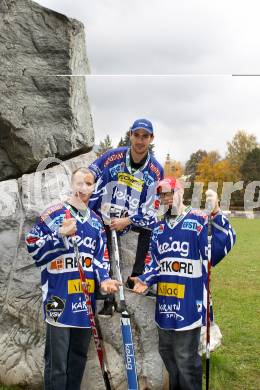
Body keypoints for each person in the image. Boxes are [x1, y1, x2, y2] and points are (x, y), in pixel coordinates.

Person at [132, 177, 236, 390]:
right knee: (167, 354)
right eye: (162, 195)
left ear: (181, 192)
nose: (167, 198)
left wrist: (215, 213)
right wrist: (145, 278)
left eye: (170, 193)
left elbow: (220, 245)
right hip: (165, 305)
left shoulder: (198, 220)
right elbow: (154, 262)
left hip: (189, 305)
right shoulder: (159, 228)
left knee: (185, 359)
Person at [25, 167, 121, 390]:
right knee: (57, 362)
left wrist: (104, 280)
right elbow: (32, 244)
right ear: (71, 184)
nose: (84, 188)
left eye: (89, 184)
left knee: (77, 357)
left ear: (94, 188)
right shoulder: (55, 213)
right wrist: (59, 235)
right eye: (80, 183)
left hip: (84, 301)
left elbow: (100, 260)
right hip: (58, 298)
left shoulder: (96, 223)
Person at [88, 118, 164, 316]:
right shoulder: (113, 156)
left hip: (130, 218)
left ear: (151, 138)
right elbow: (91, 172)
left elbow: (152, 206)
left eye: (145, 136)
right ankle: (105, 292)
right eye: (136, 135)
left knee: (152, 226)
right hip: (104, 215)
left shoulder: (156, 170)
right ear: (130, 135)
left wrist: (127, 220)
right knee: (99, 238)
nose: (140, 141)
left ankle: (137, 277)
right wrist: (83, 188)